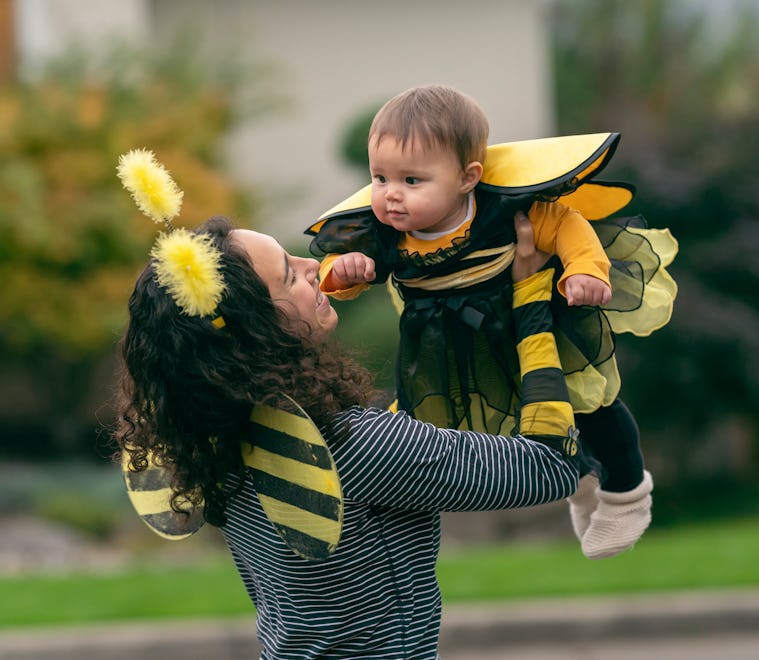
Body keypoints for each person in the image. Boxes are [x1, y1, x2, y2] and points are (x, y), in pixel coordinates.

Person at [113, 207, 594, 659]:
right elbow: (550, 466)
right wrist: (531, 301)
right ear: (256, 332)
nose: (311, 265)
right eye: (288, 275)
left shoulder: (215, 442)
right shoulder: (353, 447)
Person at [306, 84, 678, 559]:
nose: (391, 194)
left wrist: (585, 270)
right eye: (380, 178)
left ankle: (626, 493)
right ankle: (581, 478)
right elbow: (343, 269)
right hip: (453, 350)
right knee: (504, 424)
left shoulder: (502, 210)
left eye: (412, 180)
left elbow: (565, 224)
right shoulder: (382, 232)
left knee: (589, 403)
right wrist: (343, 272)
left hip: (532, 322)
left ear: (468, 178)